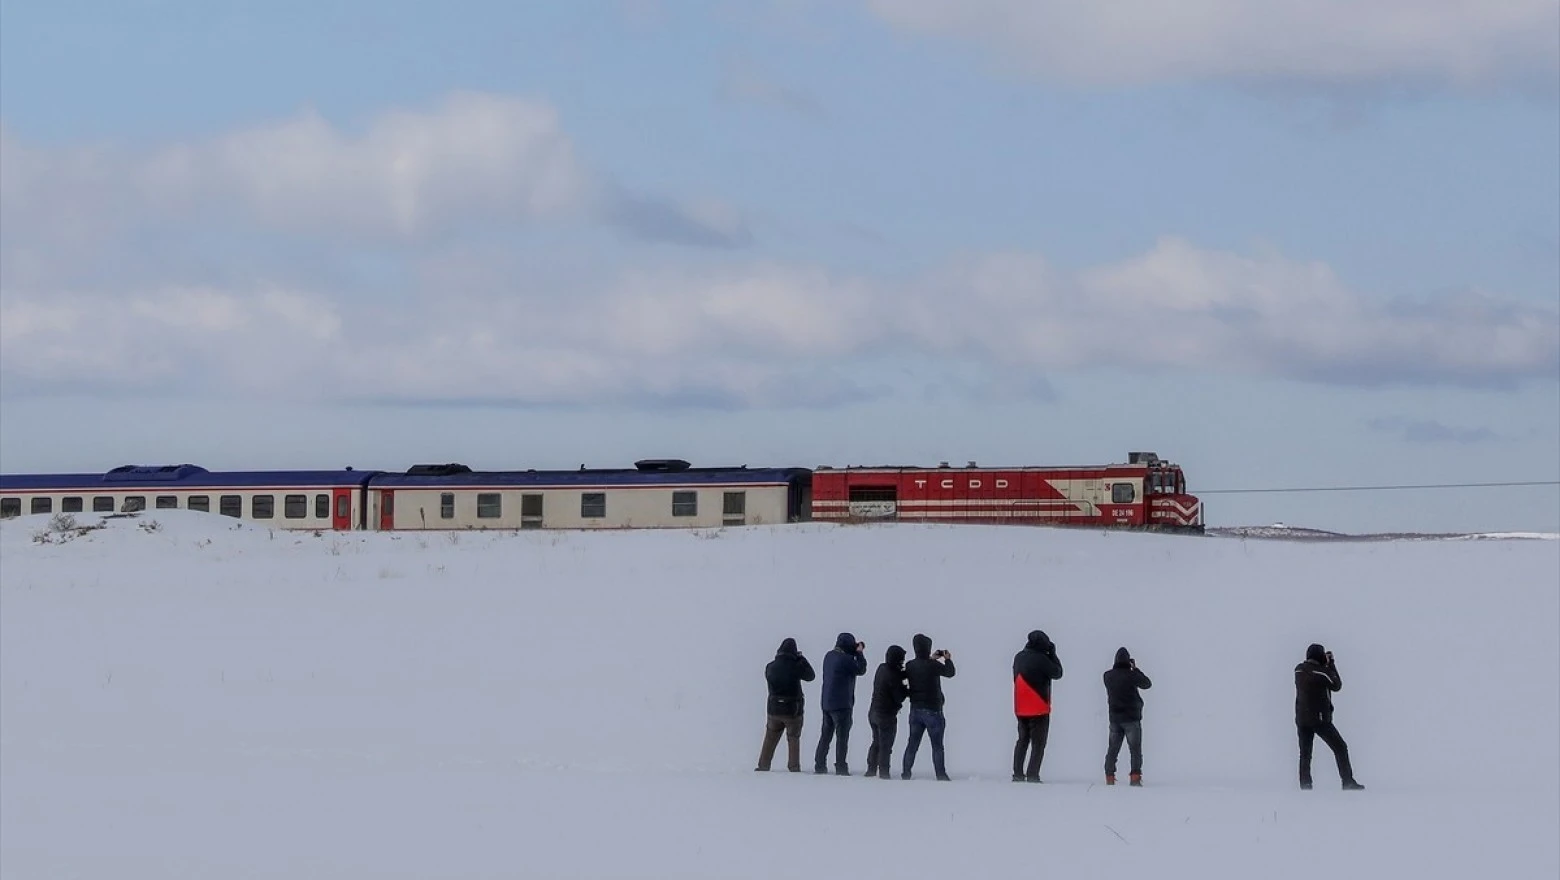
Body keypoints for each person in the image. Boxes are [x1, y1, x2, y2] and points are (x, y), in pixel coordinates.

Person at [1294, 642, 1365, 791]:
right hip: (1319, 719)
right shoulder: (1322, 673)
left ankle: (1305, 785)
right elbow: (1336, 684)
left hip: (1302, 718)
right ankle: (1347, 781)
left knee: (1305, 754)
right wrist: (1331, 663)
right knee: (1340, 747)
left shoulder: (1299, 670)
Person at [901, 633, 956, 781]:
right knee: (937, 746)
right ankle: (941, 774)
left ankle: (906, 772)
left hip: (915, 710)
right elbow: (950, 673)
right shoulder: (933, 665)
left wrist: (931, 658)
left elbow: (921, 666)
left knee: (912, 744)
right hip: (933, 710)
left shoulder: (910, 665)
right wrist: (947, 659)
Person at [756, 637, 816, 773]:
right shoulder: (795, 666)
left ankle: (763, 765)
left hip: (773, 710)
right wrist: (801, 659)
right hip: (792, 710)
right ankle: (793, 767)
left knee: (770, 737)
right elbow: (811, 676)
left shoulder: (770, 666)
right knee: (793, 738)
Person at [1012, 629, 1064, 782]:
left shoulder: (1018, 657)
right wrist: (1053, 654)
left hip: (1020, 705)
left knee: (1022, 740)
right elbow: (1058, 673)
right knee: (1038, 743)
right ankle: (1033, 774)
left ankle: (1018, 774)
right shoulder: (1042, 659)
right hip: (1038, 705)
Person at [814, 632, 869, 774]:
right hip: (842, 704)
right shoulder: (846, 660)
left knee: (825, 736)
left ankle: (819, 765)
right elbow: (861, 669)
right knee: (842, 737)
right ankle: (840, 767)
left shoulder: (829, 656)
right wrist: (859, 653)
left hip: (826, 702)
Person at [1102, 647, 1152, 786]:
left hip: (1115, 719)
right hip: (1131, 718)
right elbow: (1147, 684)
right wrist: (1135, 669)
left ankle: (1109, 777)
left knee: (1112, 749)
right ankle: (1135, 778)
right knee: (1135, 750)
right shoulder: (1132, 675)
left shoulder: (1107, 676)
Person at [863, 644, 909, 779]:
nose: (902, 662)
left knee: (876, 742)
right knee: (885, 746)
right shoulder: (893, 675)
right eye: (901, 660)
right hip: (886, 715)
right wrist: (907, 690)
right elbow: (898, 697)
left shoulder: (882, 668)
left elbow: (895, 674)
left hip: (873, 712)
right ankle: (884, 773)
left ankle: (871, 770)